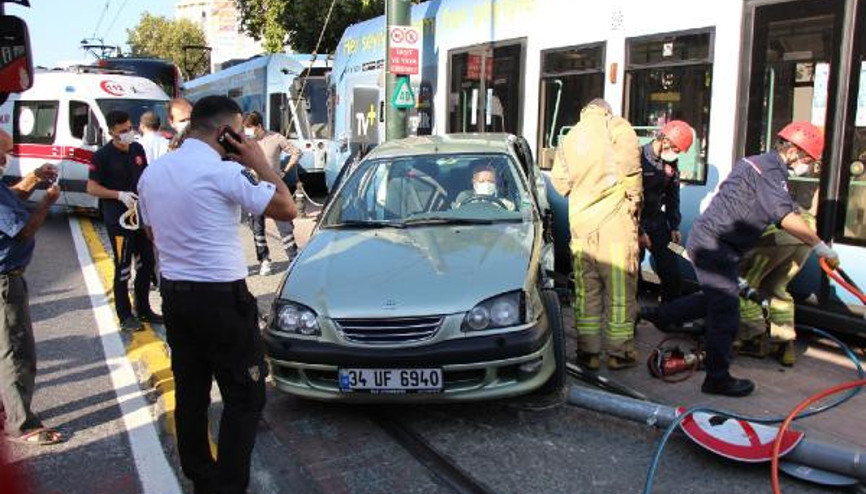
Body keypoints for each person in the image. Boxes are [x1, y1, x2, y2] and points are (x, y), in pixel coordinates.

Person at [137, 96, 296, 494]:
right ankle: (228, 487)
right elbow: (287, 208)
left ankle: (201, 478)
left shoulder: (153, 173)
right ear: (225, 132)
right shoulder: (224, 172)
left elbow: (152, 233)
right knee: (245, 397)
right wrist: (259, 163)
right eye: (240, 133)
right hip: (221, 300)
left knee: (191, 393)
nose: (244, 139)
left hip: (176, 296)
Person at [641, 122, 838, 397]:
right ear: (793, 150)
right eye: (808, 160)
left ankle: (654, 314)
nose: (809, 166)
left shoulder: (762, 165)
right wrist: (818, 246)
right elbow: (784, 216)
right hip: (714, 246)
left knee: (713, 299)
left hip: (718, 245)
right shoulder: (769, 171)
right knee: (726, 313)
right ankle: (717, 378)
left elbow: (782, 205)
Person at [551, 98, 642, 371]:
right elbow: (630, 166)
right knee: (619, 291)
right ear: (606, 110)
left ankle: (587, 352)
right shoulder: (616, 126)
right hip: (614, 224)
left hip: (580, 226)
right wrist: (634, 198)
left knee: (586, 290)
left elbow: (560, 184)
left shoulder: (569, 137)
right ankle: (619, 353)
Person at [0, 129, 64, 445]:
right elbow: (22, 229)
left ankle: (9, 410)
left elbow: (9, 198)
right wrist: (47, 202)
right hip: (4, 281)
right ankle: (21, 425)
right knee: (16, 352)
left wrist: (33, 179)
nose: (5, 160)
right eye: (2, 154)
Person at [86, 110, 161, 331]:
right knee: (123, 268)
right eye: (123, 131)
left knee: (146, 262)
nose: (129, 133)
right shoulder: (102, 156)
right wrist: (118, 195)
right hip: (118, 220)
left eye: (130, 128)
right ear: (112, 132)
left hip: (140, 217)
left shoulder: (137, 149)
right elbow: (92, 187)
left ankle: (143, 309)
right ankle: (125, 315)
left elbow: (145, 178)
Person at [639, 120, 693, 303]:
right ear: (666, 141)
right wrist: (639, 232)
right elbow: (628, 198)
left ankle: (670, 312)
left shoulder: (671, 163)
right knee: (631, 273)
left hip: (657, 222)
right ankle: (632, 313)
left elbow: (672, 195)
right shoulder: (639, 157)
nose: (677, 154)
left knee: (671, 272)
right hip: (634, 222)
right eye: (677, 149)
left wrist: (674, 226)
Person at [242, 111, 302, 275]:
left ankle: (293, 259)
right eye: (245, 128)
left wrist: (284, 171)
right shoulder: (245, 142)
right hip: (254, 188)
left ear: (259, 126)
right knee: (257, 226)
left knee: (284, 226)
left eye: (249, 127)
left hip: (273, 187)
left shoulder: (276, 138)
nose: (247, 131)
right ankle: (264, 260)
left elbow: (296, 152)